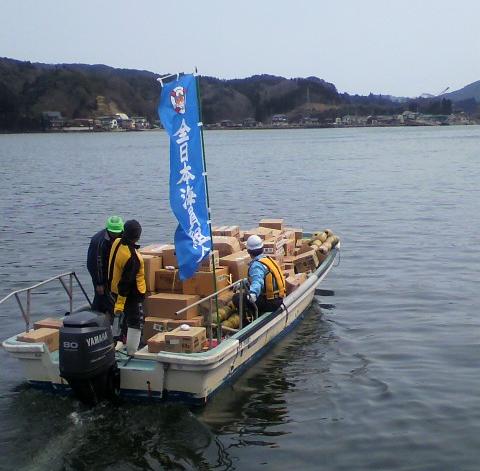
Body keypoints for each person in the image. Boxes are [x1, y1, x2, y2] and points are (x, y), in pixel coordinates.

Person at [108, 219, 146, 356]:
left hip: (113, 289)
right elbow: (126, 283)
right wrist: (120, 304)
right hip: (130, 295)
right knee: (136, 322)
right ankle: (132, 351)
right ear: (137, 236)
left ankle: (120, 341)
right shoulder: (132, 257)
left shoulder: (117, 243)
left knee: (124, 320)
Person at [235, 234, 286, 317]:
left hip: (270, 303)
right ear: (262, 248)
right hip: (279, 299)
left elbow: (258, 281)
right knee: (246, 292)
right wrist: (243, 283)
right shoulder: (267, 259)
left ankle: (248, 319)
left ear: (248, 251)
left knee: (237, 298)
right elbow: (260, 277)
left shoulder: (256, 265)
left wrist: (253, 293)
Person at [87, 215, 124, 315]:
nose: (115, 235)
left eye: (118, 233)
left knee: (111, 297)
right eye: (113, 233)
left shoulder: (123, 236)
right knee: (102, 296)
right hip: (101, 273)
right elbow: (95, 264)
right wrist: (99, 283)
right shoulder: (98, 242)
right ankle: (97, 317)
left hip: (114, 273)